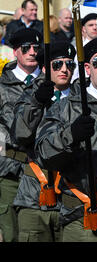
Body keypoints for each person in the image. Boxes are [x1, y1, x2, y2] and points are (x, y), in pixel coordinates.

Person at [35, 36, 97, 242]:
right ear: (88, 69)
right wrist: (70, 135)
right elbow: (43, 153)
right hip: (81, 219)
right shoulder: (66, 107)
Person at [11, 41, 76, 242]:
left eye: (69, 64)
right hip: (35, 195)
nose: (65, 69)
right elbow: (20, 134)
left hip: (72, 200)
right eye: (58, 64)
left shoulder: (81, 98)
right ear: (46, 68)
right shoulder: (31, 94)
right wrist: (37, 102)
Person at [0, 28, 42, 242]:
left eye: (36, 47)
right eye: (26, 48)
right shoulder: (2, 85)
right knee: (11, 234)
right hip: (9, 169)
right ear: (16, 51)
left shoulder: (49, 83)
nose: (32, 52)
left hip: (42, 172)